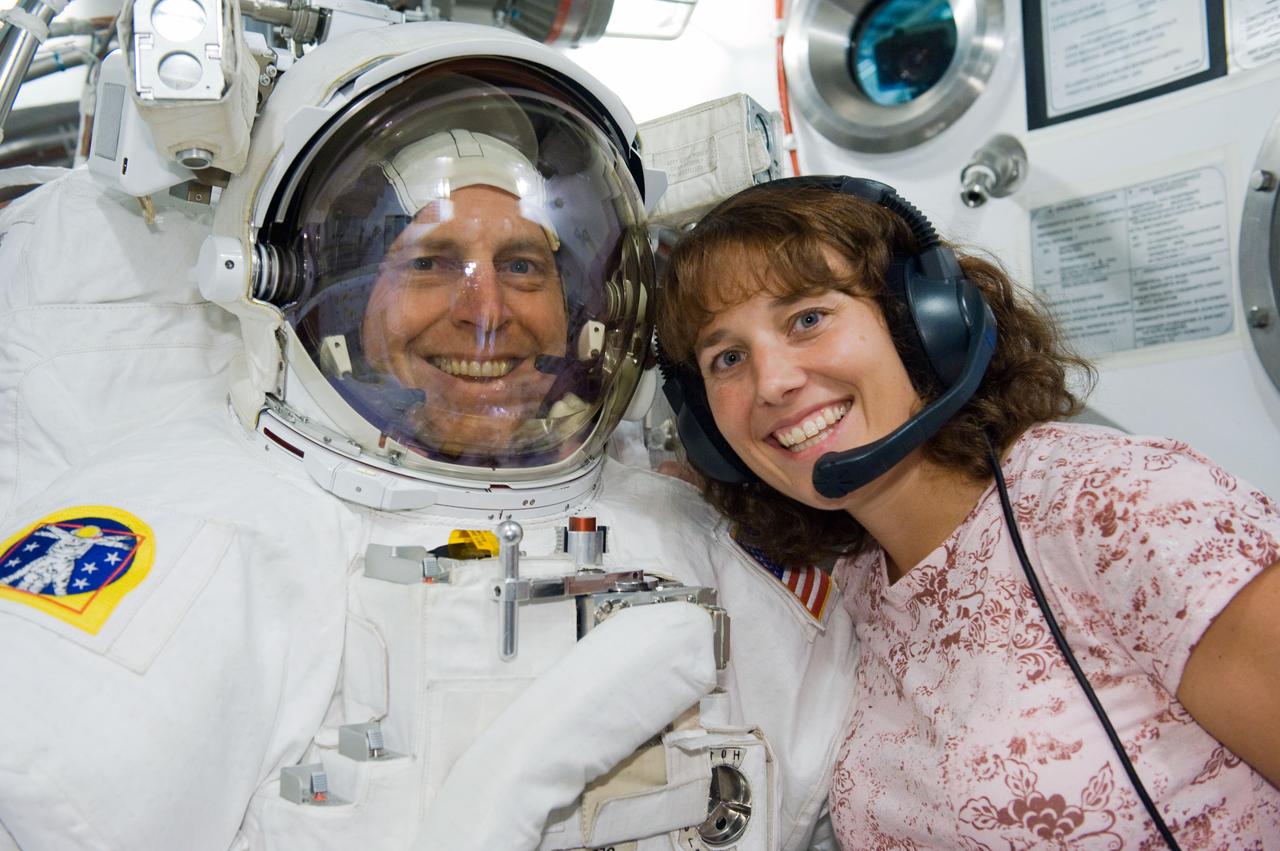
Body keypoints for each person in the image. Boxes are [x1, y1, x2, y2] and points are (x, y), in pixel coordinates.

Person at [0, 24, 858, 851]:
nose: (485, 314)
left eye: (524, 265)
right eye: (430, 262)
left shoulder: (699, 536)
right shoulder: (211, 531)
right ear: (334, 301)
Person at [655, 175, 1280, 847]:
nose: (772, 382)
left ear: (925, 323)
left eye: (807, 318)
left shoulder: (1113, 503)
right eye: (727, 357)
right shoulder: (857, 594)